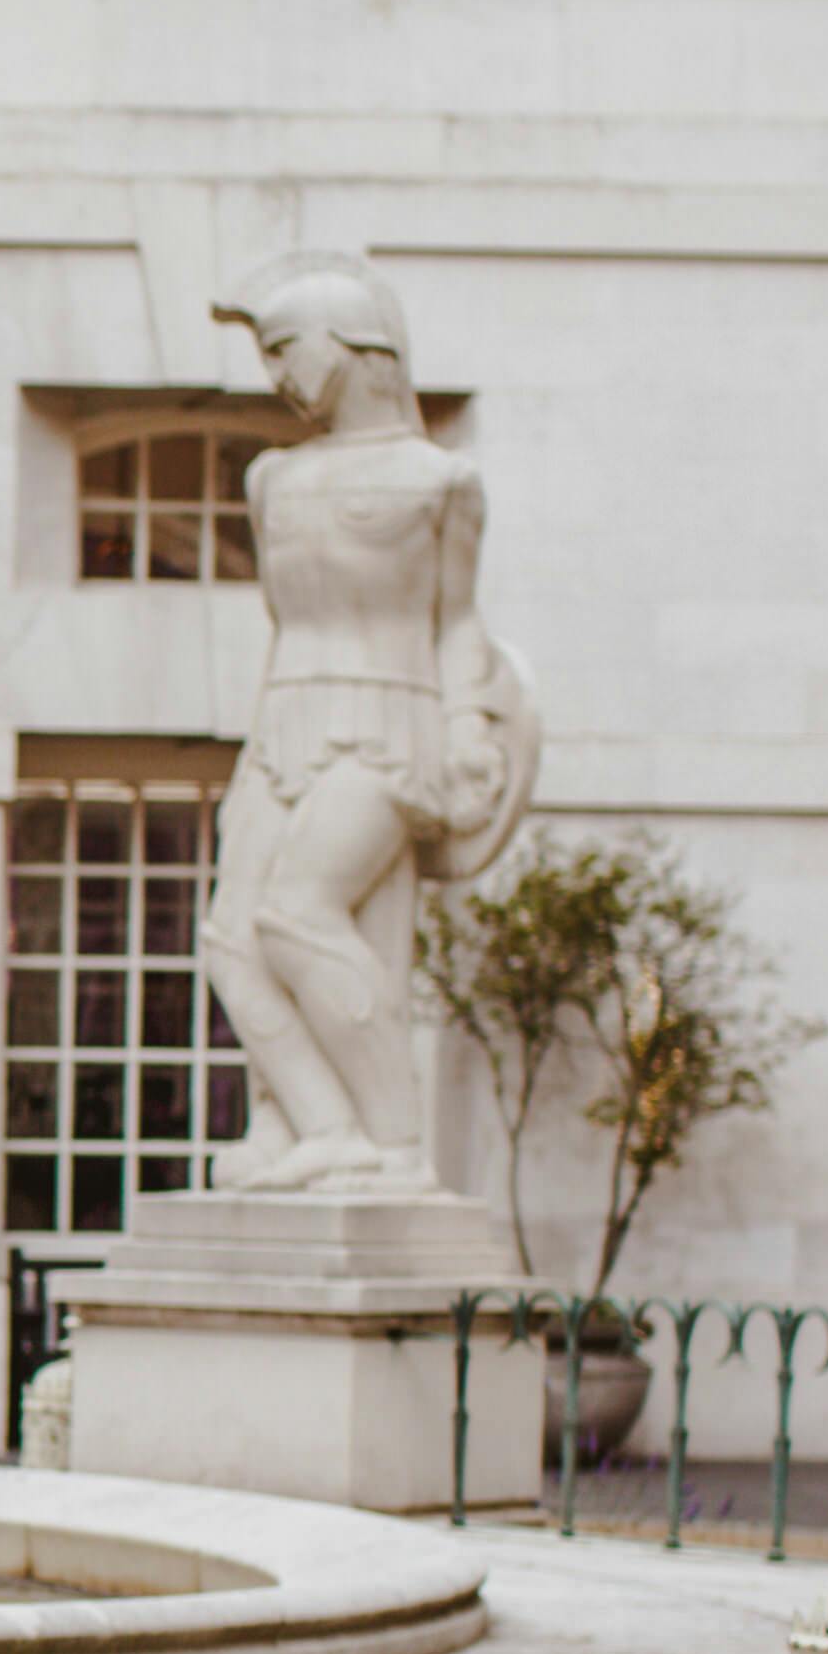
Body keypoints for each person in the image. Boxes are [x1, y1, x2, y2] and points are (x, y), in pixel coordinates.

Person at [194, 254, 536, 1198]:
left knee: (299, 910)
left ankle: (391, 1141)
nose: (276, 376)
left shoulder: (442, 481)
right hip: (287, 716)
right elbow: (282, 624)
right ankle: (315, 1124)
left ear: (358, 346)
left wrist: (471, 729)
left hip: (392, 716)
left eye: (285, 349)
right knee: (230, 939)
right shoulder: (271, 479)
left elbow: (455, 619)